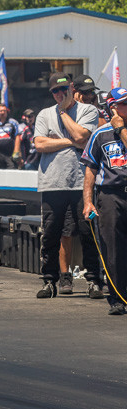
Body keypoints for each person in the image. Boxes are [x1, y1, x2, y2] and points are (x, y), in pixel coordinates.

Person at [33, 72, 103, 299]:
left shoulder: (88, 110)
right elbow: (39, 144)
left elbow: (82, 136)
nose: (60, 94)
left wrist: (63, 113)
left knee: (88, 232)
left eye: (64, 89)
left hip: (81, 183)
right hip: (52, 183)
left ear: (72, 88)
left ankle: (93, 281)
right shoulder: (44, 114)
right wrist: (70, 142)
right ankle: (49, 280)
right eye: (55, 91)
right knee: (51, 234)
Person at [82, 88, 127, 315]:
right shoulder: (100, 134)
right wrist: (88, 202)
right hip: (110, 195)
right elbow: (90, 170)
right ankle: (117, 298)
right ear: (113, 108)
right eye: (124, 104)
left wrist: (121, 129)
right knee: (113, 248)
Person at [0, 103, 21, 169]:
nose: (2, 113)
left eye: (4, 111)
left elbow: (17, 137)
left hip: (10, 152)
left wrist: (16, 151)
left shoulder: (13, 123)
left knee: (12, 170)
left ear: (7, 111)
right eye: (1, 111)